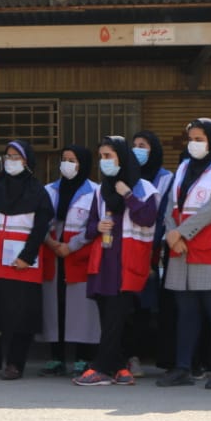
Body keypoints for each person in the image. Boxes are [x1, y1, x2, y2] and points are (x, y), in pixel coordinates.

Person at [156, 118, 211, 390]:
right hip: (181, 250)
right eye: (191, 138)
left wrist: (179, 233)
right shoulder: (183, 167)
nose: (194, 144)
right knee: (186, 311)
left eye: (199, 138)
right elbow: (171, 203)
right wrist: (172, 234)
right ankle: (183, 367)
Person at [74, 136, 159, 386]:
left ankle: (100, 368)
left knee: (116, 318)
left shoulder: (145, 188)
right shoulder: (101, 190)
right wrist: (96, 226)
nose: (104, 161)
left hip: (127, 264)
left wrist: (129, 195)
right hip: (103, 263)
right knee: (109, 319)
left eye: (109, 156)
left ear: (122, 157)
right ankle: (120, 368)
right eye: (101, 156)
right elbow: (89, 225)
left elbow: (148, 218)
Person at [0, 141, 53, 380]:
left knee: (19, 316)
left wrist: (27, 256)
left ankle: (15, 363)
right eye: (7, 156)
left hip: (21, 262)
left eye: (16, 157)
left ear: (27, 162)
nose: (11, 161)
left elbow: (40, 229)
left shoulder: (38, 192)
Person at [36, 145, 100, 377]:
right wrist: (53, 244)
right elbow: (39, 222)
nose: (67, 164)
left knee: (82, 309)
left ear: (82, 164)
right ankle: (56, 358)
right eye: (64, 159)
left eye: (72, 160)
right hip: (53, 254)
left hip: (79, 255)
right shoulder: (48, 190)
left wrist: (71, 246)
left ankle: (83, 358)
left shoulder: (95, 191)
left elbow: (94, 226)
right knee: (55, 307)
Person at [126, 130, 175, 374]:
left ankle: (159, 359)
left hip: (153, 251)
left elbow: (164, 215)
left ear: (153, 148)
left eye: (143, 145)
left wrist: (149, 251)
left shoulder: (167, 179)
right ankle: (129, 356)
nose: (137, 149)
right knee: (128, 306)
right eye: (134, 145)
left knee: (148, 308)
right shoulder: (126, 175)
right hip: (126, 247)